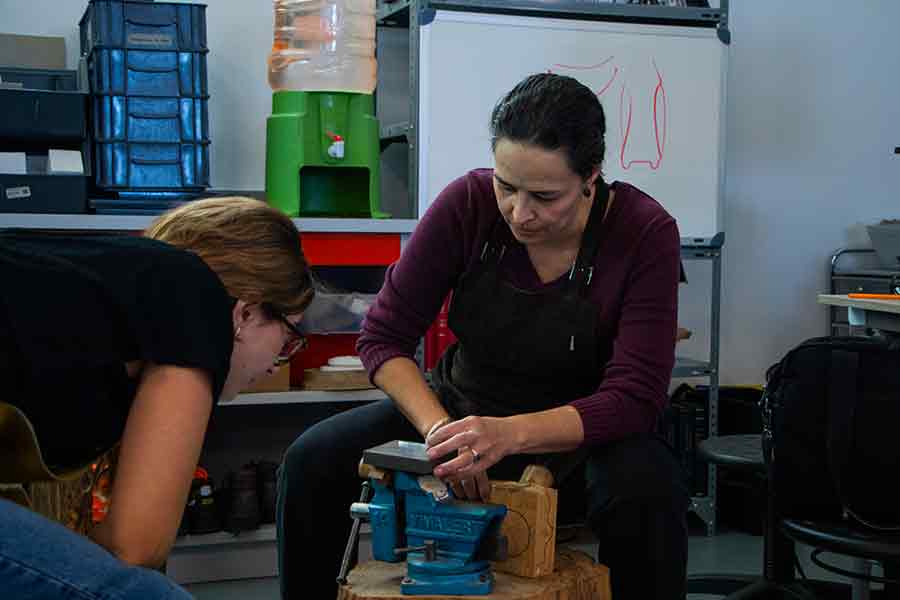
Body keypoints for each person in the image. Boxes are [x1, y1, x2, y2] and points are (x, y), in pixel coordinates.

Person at [277, 73, 688, 600]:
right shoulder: (467, 204)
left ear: (591, 176)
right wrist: (442, 433)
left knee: (648, 491)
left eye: (545, 196)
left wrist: (507, 435)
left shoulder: (644, 231)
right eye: (506, 186)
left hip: (583, 433)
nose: (520, 213)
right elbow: (382, 336)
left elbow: (636, 398)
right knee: (312, 460)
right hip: (460, 410)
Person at [0, 197, 314, 599]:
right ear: (246, 313)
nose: (276, 364)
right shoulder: (196, 298)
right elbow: (135, 546)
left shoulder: (110, 286)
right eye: (288, 338)